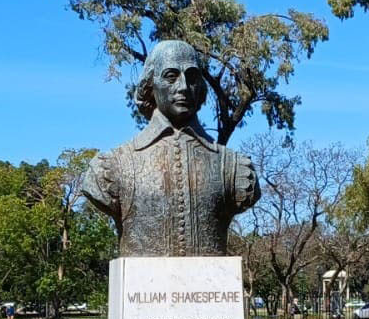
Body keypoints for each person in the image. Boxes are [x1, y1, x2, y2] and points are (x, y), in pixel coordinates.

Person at [80, 40, 260, 257]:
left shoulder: (233, 167)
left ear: (201, 87)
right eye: (171, 76)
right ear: (150, 85)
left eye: (192, 77)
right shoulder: (114, 167)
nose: (183, 86)